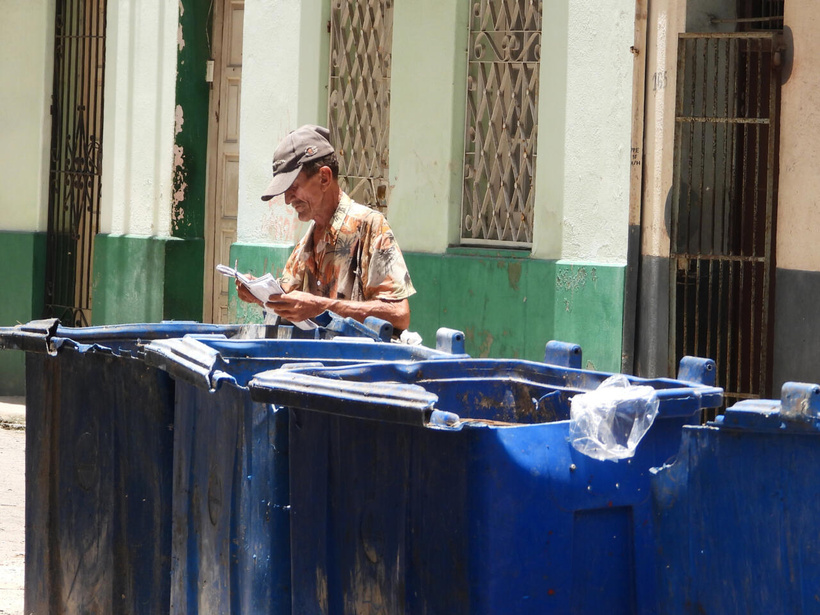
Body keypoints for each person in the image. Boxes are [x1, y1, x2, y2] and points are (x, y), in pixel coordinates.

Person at [236, 124, 416, 331]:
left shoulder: (371, 226)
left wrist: (321, 307)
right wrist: (259, 294)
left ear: (324, 178)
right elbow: (292, 303)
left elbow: (399, 315)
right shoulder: (307, 242)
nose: (287, 200)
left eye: (293, 187)